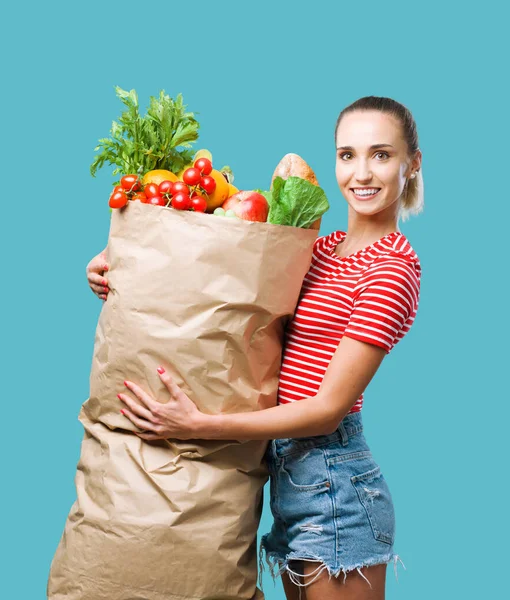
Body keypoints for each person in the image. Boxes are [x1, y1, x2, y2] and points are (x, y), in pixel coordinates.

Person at [86, 96, 423, 600]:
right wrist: (121, 260)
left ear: (411, 164)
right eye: (347, 155)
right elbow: (226, 274)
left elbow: (327, 410)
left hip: (337, 487)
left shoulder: (393, 268)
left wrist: (200, 426)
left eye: (381, 154)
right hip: (287, 478)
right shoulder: (322, 248)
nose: (361, 173)